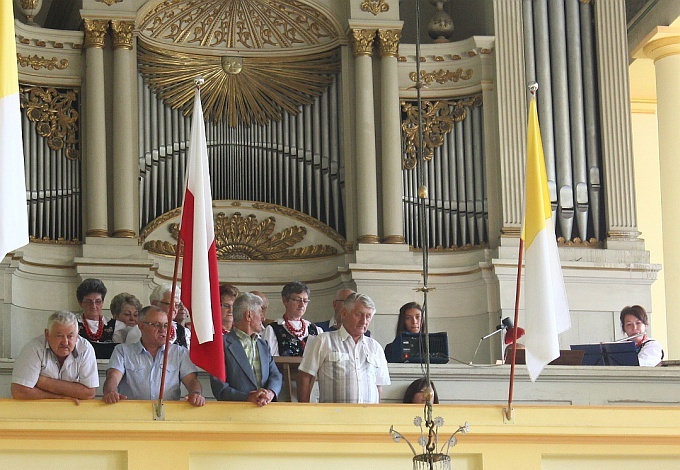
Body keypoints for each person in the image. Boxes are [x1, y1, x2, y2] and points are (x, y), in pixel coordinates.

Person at [102, 305, 205, 406]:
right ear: (141, 326)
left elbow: (192, 380)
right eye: (157, 325)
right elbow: (113, 377)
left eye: (166, 325)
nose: (163, 329)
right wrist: (110, 392)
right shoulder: (123, 351)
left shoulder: (179, 353)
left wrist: (195, 393)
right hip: (132, 415)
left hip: (168, 415)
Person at [297, 293, 390, 403]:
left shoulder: (375, 347)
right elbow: (304, 377)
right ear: (344, 313)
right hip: (333, 417)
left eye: (368, 316)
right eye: (359, 315)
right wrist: (305, 411)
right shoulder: (323, 341)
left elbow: (378, 386)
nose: (364, 321)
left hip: (368, 417)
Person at [210, 293, 282, 405]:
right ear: (248, 316)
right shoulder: (221, 345)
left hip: (265, 410)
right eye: (260, 312)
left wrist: (270, 393)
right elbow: (219, 388)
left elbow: (276, 375)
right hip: (234, 414)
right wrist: (248, 398)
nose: (263, 318)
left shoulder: (263, 345)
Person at [11, 310, 98, 401]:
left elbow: (89, 393)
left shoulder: (85, 349)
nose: (65, 342)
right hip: (39, 411)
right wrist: (60, 398)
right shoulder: (34, 348)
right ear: (47, 334)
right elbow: (19, 391)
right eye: (59, 336)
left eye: (70, 336)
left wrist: (44, 382)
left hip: (74, 410)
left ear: (77, 335)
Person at [263, 281, 321, 357]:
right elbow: (270, 361)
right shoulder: (273, 329)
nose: (302, 305)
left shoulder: (316, 329)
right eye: (297, 300)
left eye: (305, 301)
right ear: (285, 301)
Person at [126, 284, 190, 349]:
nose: (174, 308)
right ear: (155, 304)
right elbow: (132, 356)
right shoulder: (140, 330)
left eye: (176, 305)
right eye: (169, 304)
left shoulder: (184, 331)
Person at [76, 278, 116, 358]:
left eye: (98, 301)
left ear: (103, 302)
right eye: (89, 301)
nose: (94, 306)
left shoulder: (115, 325)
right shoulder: (73, 323)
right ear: (80, 303)